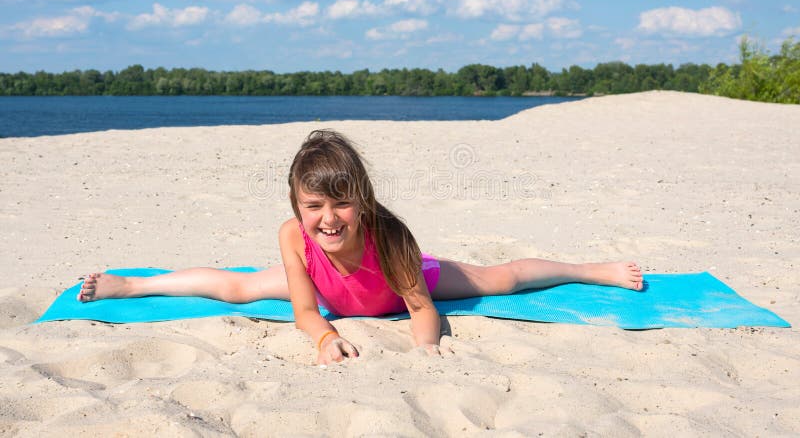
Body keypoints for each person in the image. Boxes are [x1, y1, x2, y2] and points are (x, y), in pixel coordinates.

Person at [79, 129, 644, 365]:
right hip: (333, 294)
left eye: (341, 205)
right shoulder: (293, 236)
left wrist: (426, 352)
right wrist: (325, 337)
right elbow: (303, 311)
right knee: (239, 287)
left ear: (362, 201)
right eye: (314, 207)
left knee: (503, 277)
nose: (328, 219)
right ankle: (133, 283)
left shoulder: (390, 235)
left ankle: (591, 269)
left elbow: (423, 309)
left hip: (397, 285)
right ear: (299, 207)